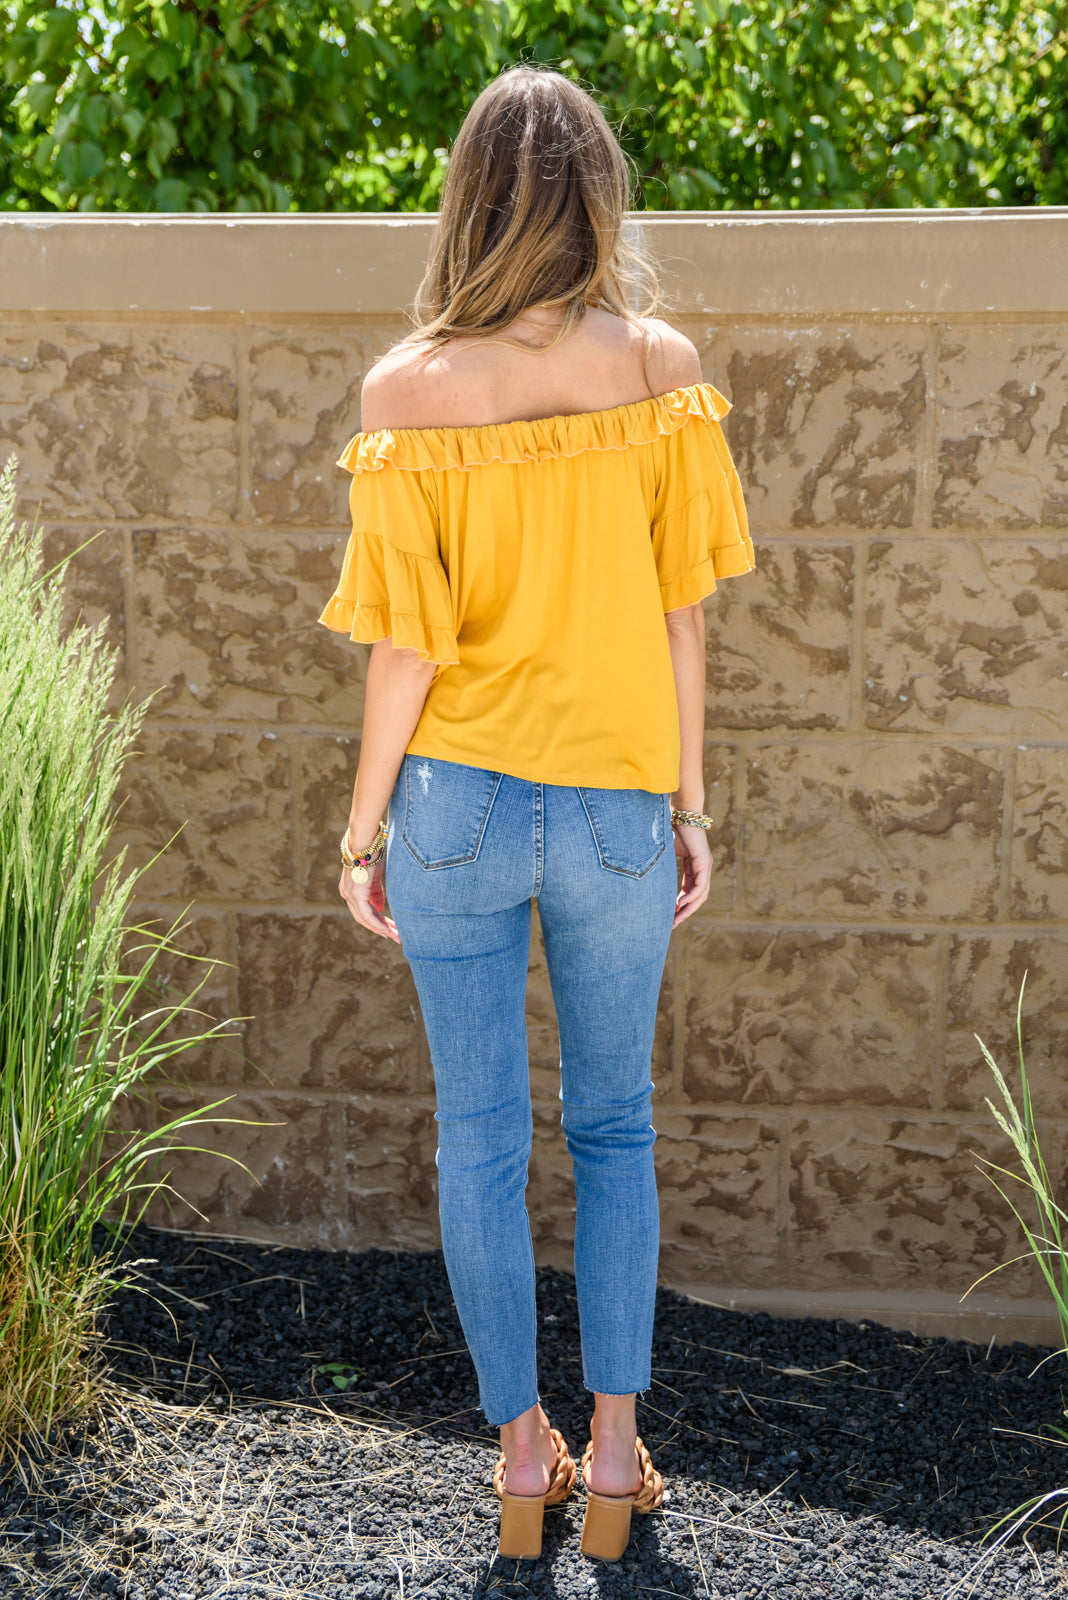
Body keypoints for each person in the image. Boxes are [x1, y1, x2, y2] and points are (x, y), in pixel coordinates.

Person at [319, 63, 753, 1565]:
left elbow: (404, 651)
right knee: (616, 1127)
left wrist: (362, 834)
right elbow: (686, 618)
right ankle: (616, 1461)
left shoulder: (404, 393)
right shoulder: (661, 369)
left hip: (453, 808)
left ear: (468, 197)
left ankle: (523, 1461)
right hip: (621, 802)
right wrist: (692, 806)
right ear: (596, 194)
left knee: (479, 1140)